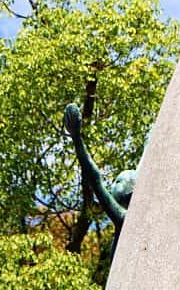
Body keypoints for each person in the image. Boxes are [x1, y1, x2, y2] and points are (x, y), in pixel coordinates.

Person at [64, 103, 136, 260]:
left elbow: (95, 178)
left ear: (131, 191)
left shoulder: (125, 217)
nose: (112, 185)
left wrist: (76, 138)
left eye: (118, 182)